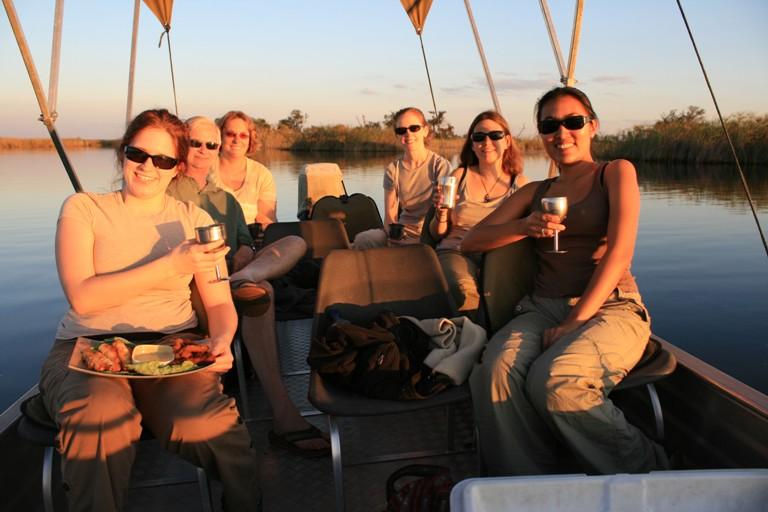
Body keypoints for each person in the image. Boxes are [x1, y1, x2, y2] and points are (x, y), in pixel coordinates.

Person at [39, 109, 261, 511]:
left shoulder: (195, 220)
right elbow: (83, 298)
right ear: (122, 153)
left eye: (161, 160)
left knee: (205, 424)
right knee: (100, 420)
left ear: (176, 167)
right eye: (137, 154)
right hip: (87, 347)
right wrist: (171, 265)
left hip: (172, 347)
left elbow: (218, 303)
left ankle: (245, 501)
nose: (147, 167)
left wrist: (222, 339)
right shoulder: (83, 209)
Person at [463, 87, 669, 476]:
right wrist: (524, 226)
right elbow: (471, 241)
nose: (562, 133)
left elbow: (619, 254)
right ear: (541, 133)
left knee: (557, 381)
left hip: (610, 305)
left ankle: (648, 471)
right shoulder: (534, 192)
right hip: (542, 307)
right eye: (549, 125)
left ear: (592, 126)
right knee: (493, 372)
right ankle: (530, 482)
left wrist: (575, 322)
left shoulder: (615, 172)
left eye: (573, 122)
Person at [168, 115, 330, 457]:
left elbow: (245, 242)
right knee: (263, 294)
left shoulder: (224, 199)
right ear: (183, 144)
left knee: (294, 243)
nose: (203, 150)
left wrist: (244, 253)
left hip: (232, 274)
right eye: (195, 143)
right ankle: (285, 416)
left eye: (210, 145)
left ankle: (242, 280)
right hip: (190, 283)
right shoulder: (168, 189)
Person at [427, 111, 527, 318]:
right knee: (464, 291)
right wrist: (441, 213)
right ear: (472, 144)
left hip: (499, 254)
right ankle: (471, 340)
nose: (486, 142)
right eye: (479, 137)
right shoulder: (458, 176)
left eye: (495, 136)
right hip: (456, 249)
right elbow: (437, 235)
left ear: (507, 141)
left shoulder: (521, 184)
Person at [353, 107, 451, 248]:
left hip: (431, 232)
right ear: (398, 136)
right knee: (363, 239)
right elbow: (390, 216)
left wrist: (417, 241)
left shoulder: (441, 166)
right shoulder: (393, 170)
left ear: (425, 130)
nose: (408, 134)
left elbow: (446, 215)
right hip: (402, 231)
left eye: (414, 128)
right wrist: (393, 237)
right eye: (401, 130)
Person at [214, 110, 277, 226]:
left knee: (295, 241)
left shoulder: (262, 175)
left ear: (250, 140)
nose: (237, 140)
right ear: (219, 136)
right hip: (210, 239)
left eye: (243, 136)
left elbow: (266, 220)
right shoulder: (205, 168)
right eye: (230, 134)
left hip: (250, 240)